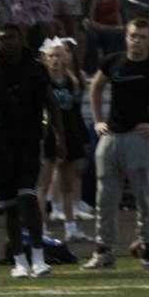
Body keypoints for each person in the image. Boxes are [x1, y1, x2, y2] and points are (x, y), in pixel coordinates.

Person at [0, 24, 64, 278]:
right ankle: (19, 261)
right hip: (2, 145)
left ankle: (38, 256)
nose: (8, 42)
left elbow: (52, 105)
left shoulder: (35, 70)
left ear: (21, 40)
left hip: (29, 142)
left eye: (12, 37)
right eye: (3, 39)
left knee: (28, 196)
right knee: (10, 207)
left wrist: (59, 137)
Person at [82, 17, 149, 270]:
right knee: (105, 198)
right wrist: (97, 121)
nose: (136, 40)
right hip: (111, 136)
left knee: (144, 197)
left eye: (142, 36)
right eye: (133, 35)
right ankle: (104, 251)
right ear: (126, 37)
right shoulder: (113, 61)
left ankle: (148, 248)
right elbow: (95, 88)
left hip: (139, 138)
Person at [36, 38, 92, 243]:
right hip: (50, 134)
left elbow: (74, 112)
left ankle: (71, 227)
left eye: (59, 55)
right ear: (46, 59)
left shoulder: (71, 82)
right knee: (44, 182)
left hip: (68, 133)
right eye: (51, 56)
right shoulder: (44, 83)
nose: (55, 60)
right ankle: (40, 228)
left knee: (67, 184)